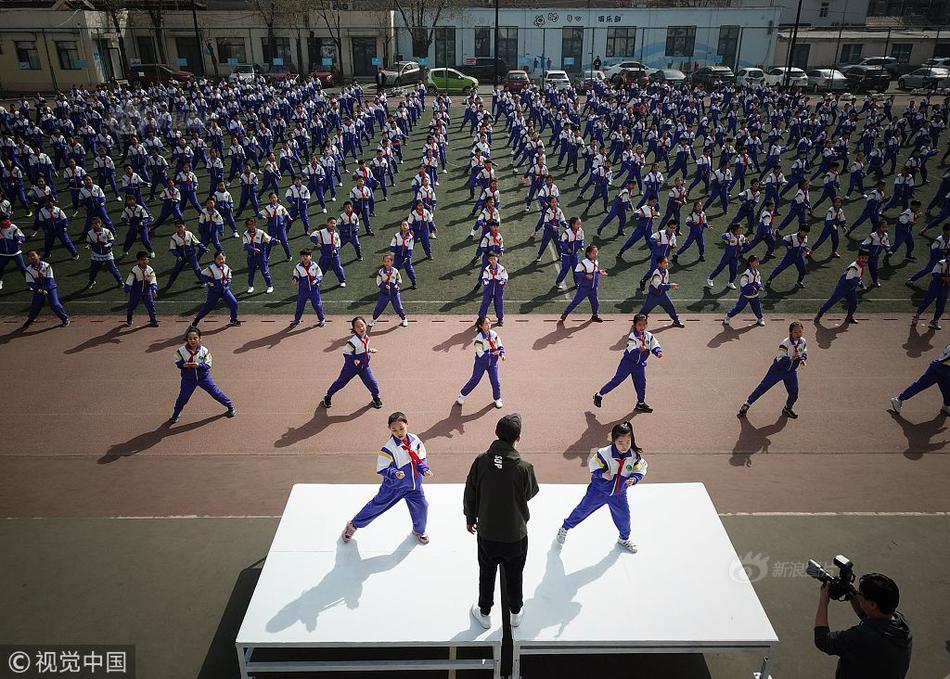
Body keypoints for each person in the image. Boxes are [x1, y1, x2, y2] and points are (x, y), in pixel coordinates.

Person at [464, 413, 539, 630]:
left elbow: (470, 491)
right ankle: (515, 612)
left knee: (486, 573)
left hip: (487, 532)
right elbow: (530, 493)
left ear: (496, 434)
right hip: (516, 534)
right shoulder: (524, 467)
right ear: (519, 438)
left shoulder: (480, 461)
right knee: (515, 574)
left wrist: (471, 517)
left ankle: (485, 612)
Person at [342, 411, 433, 545]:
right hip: (394, 488)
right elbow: (382, 468)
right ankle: (353, 525)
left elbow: (420, 458)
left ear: (407, 425)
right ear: (389, 429)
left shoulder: (415, 440)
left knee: (422, 507)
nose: (399, 432)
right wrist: (394, 473)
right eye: (394, 430)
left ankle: (418, 531)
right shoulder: (388, 448)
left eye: (401, 428)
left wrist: (424, 469)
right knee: (376, 506)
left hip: (414, 487)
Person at [556, 420, 647, 553]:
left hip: (618, 494)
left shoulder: (634, 456)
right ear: (613, 440)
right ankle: (565, 527)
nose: (624, 446)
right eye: (620, 442)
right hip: (598, 492)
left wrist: (634, 478)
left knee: (624, 518)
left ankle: (624, 538)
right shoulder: (604, 453)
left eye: (628, 441)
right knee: (582, 510)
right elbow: (593, 465)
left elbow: (641, 468)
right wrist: (602, 474)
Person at [814, 573, 912, 679]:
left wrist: (824, 600)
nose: (858, 595)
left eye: (860, 594)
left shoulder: (862, 637)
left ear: (873, 605)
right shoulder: (900, 623)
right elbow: (868, 616)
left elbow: (823, 640)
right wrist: (853, 594)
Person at [593, 314, 663, 413]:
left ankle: (641, 403)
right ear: (634, 325)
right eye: (639, 325)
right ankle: (599, 394)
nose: (642, 327)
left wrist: (658, 351)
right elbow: (631, 351)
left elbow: (654, 345)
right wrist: (639, 350)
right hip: (628, 363)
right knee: (616, 380)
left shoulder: (648, 336)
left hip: (639, 365)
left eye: (644, 324)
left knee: (641, 384)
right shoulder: (632, 336)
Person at [738, 321, 808, 419]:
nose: (798, 334)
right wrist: (791, 359)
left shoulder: (803, 341)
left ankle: (788, 408)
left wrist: (803, 359)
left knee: (794, 393)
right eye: (796, 332)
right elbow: (779, 358)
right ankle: (747, 404)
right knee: (763, 387)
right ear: (790, 332)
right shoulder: (785, 344)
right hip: (777, 370)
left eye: (800, 332)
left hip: (791, 372)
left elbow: (803, 351)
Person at [169, 326, 236, 424]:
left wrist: (199, 365)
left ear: (200, 339)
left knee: (216, 393)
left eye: (195, 338)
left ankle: (230, 406)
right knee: (182, 398)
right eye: (190, 338)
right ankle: (176, 414)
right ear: (187, 339)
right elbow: (177, 361)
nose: (192, 340)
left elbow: (208, 364)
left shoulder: (204, 351)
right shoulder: (181, 351)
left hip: (204, 378)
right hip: (188, 379)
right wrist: (183, 365)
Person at [322, 316, 383, 410]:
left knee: (372, 383)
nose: (361, 328)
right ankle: (328, 396)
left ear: (365, 325)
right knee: (340, 383)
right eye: (357, 327)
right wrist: (354, 359)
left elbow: (362, 349)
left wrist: (370, 350)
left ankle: (375, 398)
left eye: (362, 325)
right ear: (354, 329)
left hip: (364, 366)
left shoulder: (366, 337)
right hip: (351, 367)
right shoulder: (353, 341)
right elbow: (346, 352)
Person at [456, 316, 506, 409]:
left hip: (493, 364)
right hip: (481, 363)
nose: (489, 325)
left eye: (489, 323)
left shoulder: (494, 334)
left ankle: (497, 398)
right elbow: (480, 354)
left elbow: (499, 344)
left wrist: (502, 353)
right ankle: (462, 395)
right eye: (486, 324)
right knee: (475, 380)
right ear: (481, 326)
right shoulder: (478, 339)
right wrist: (493, 354)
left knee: (495, 382)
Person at [890, 344, 950, 416]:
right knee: (919, 385)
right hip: (939, 370)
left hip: (945, 370)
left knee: (947, 389)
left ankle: (946, 406)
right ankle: (898, 399)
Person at [22, 250, 69, 328]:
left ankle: (65, 319)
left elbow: (49, 279)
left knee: (55, 304)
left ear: (38, 256)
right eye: (29, 256)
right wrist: (38, 289)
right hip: (39, 289)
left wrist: (45, 289)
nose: (32, 257)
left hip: (50, 288)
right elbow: (30, 283)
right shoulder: (28, 270)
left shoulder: (46, 266)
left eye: (33, 255)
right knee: (36, 304)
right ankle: (31, 319)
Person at [560, 244, 607, 323]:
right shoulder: (583, 263)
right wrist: (585, 276)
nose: (596, 254)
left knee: (595, 303)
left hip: (593, 288)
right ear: (588, 254)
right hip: (584, 288)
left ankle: (595, 315)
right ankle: (565, 314)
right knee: (576, 301)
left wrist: (599, 272)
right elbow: (577, 273)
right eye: (593, 253)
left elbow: (594, 270)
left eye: (596, 252)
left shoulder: (595, 261)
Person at [290, 248, 325, 328]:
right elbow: (296, 275)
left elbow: (320, 274)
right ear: (300, 257)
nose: (305, 258)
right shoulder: (298, 267)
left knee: (317, 305)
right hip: (303, 290)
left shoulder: (314, 265)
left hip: (314, 290)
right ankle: (297, 320)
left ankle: (322, 319)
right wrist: (294, 279)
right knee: (300, 305)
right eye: (303, 256)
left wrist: (316, 280)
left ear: (310, 256)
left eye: (307, 256)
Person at [124, 251, 159, 327]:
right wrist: (127, 288)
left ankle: (153, 320)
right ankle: (129, 319)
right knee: (132, 306)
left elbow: (153, 280)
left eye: (145, 259)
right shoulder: (135, 270)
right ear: (138, 261)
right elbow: (130, 279)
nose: (144, 261)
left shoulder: (150, 270)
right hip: (136, 292)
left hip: (147, 291)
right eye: (142, 260)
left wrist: (153, 289)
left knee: (150, 306)